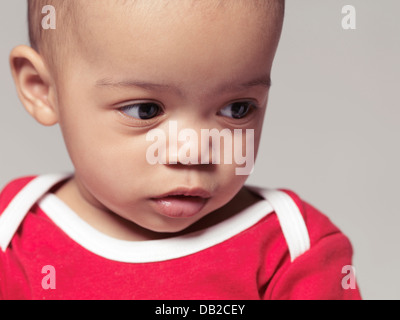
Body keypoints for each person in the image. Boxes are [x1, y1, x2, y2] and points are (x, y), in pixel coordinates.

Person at [0, 0, 361, 299]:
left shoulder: (294, 248)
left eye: (237, 108)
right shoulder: (13, 235)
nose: (192, 153)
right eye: (146, 111)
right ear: (42, 88)